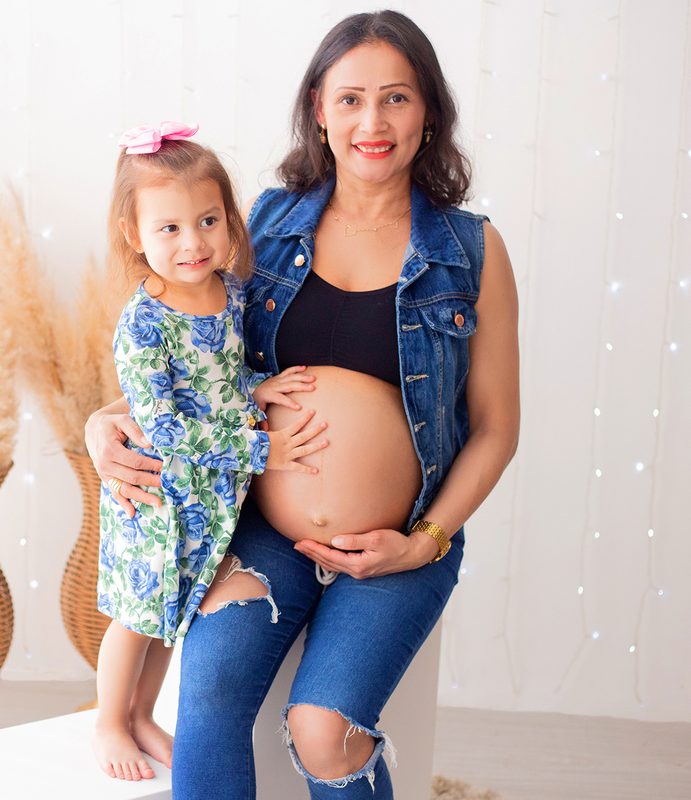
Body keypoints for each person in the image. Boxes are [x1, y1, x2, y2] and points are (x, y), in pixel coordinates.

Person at [86, 11, 520, 800]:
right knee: (209, 694)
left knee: (321, 731)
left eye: (397, 98)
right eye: (351, 99)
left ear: (429, 113)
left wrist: (423, 541)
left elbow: (495, 428)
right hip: (261, 528)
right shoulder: (272, 223)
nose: (373, 122)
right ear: (319, 109)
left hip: (399, 539)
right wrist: (100, 421)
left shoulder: (471, 252)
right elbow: (201, 360)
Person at [91, 122, 330, 783]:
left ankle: (143, 714)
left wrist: (262, 386)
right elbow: (166, 429)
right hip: (157, 499)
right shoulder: (143, 324)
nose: (193, 242)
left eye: (207, 220)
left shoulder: (232, 294)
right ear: (134, 235)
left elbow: (217, 383)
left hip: (210, 505)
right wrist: (264, 449)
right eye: (169, 229)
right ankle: (109, 718)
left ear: (228, 220)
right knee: (138, 618)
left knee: (177, 613)